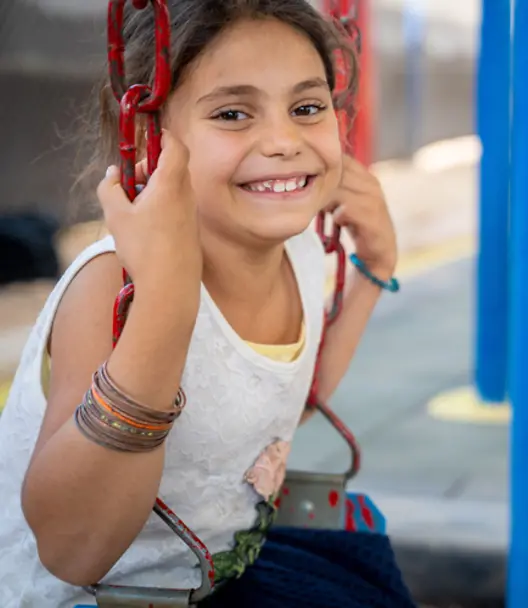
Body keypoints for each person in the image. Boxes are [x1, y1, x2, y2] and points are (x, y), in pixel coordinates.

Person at [0, 1, 415, 606]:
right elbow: (72, 550)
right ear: (148, 135)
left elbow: (278, 399)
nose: (282, 140)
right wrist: (166, 304)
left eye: (306, 107)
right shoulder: (112, 284)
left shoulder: (299, 251)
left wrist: (374, 268)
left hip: (207, 573)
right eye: (232, 113)